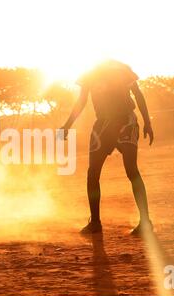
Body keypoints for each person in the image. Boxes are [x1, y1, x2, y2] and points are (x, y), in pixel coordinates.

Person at [60, 60, 154, 235]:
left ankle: (102, 223)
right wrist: (66, 126)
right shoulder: (117, 69)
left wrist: (67, 126)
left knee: (111, 172)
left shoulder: (98, 71)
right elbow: (137, 94)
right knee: (118, 172)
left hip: (120, 122)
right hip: (116, 122)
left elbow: (82, 101)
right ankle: (101, 222)